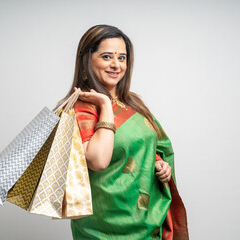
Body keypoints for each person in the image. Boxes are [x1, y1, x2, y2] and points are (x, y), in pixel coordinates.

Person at [56, 24, 189, 240]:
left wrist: (156, 161)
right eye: (107, 57)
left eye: (122, 58)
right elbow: (98, 160)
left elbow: (144, 143)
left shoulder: (132, 102)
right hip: (104, 225)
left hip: (146, 218)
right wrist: (106, 106)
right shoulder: (81, 108)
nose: (116, 65)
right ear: (86, 61)